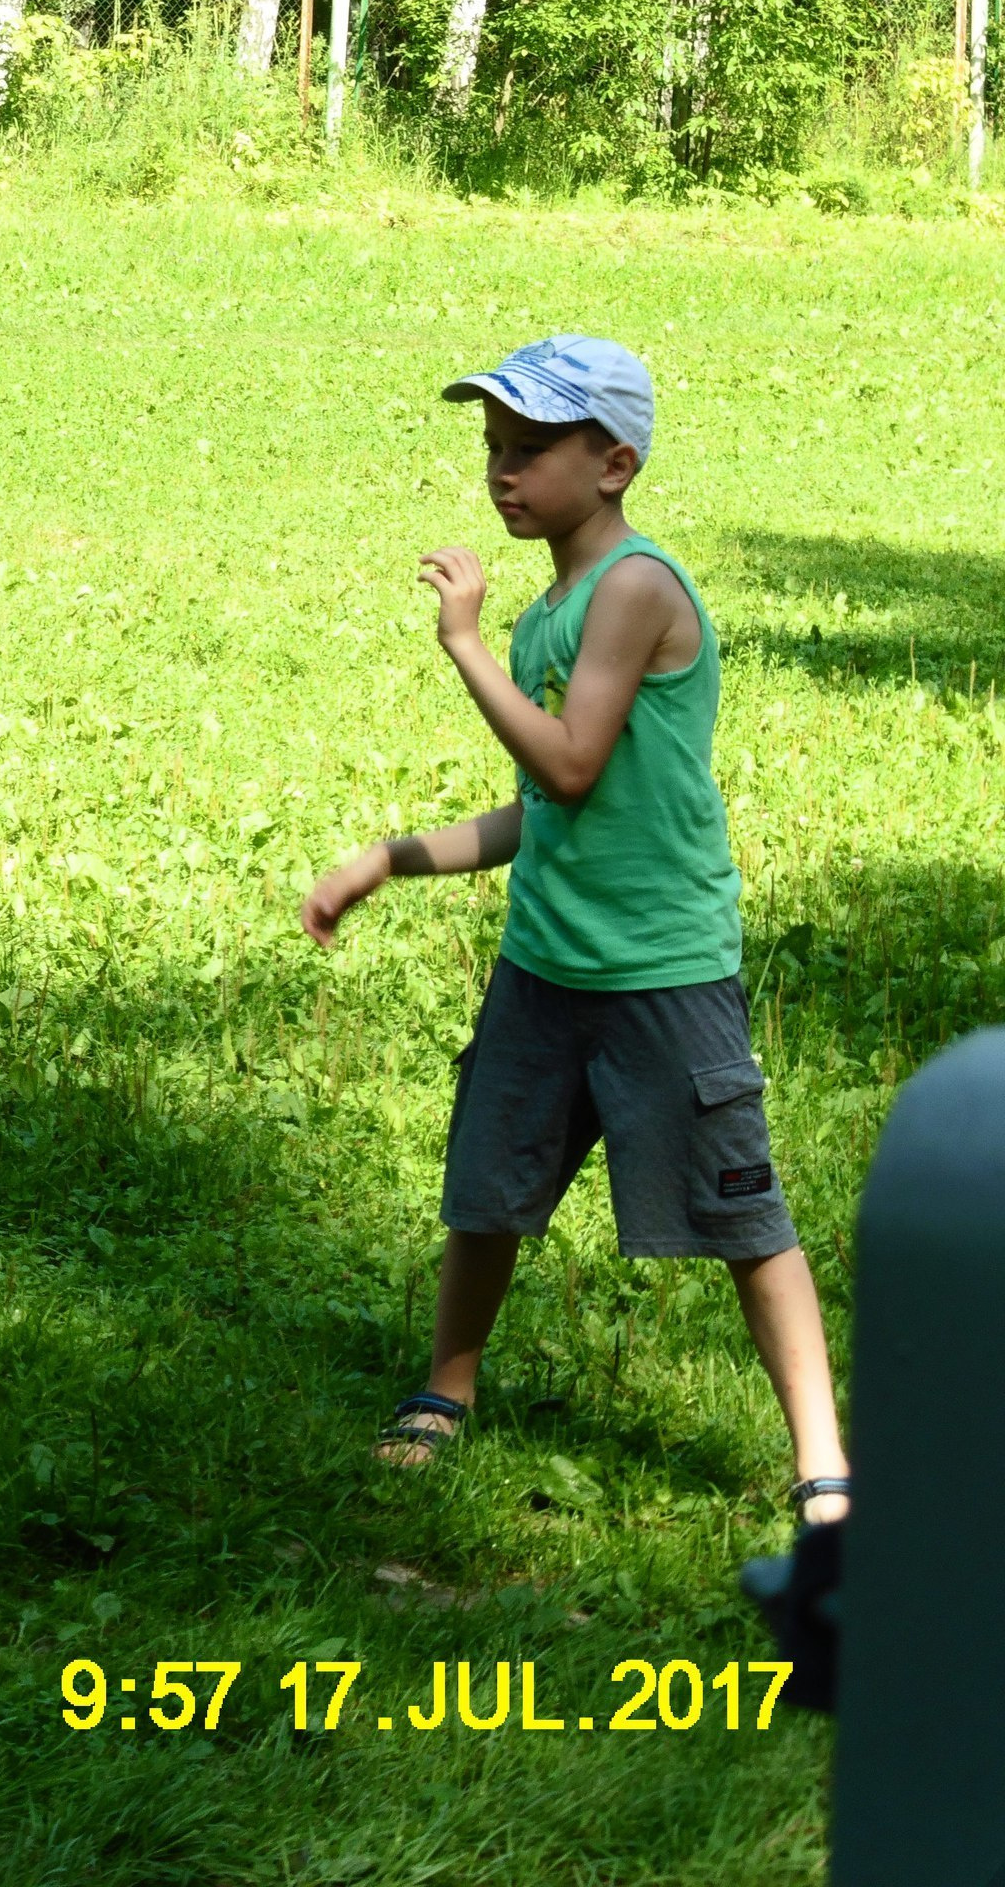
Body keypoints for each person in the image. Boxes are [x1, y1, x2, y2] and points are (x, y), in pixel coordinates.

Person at [298, 336, 850, 1528]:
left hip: (661, 970)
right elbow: (538, 808)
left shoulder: (636, 589)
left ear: (615, 462)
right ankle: (445, 1390)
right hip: (544, 963)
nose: (502, 472)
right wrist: (390, 861)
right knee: (487, 1182)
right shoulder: (557, 612)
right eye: (493, 448)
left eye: (530, 449)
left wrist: (461, 646)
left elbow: (571, 762)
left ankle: (823, 1466)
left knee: (744, 1215)